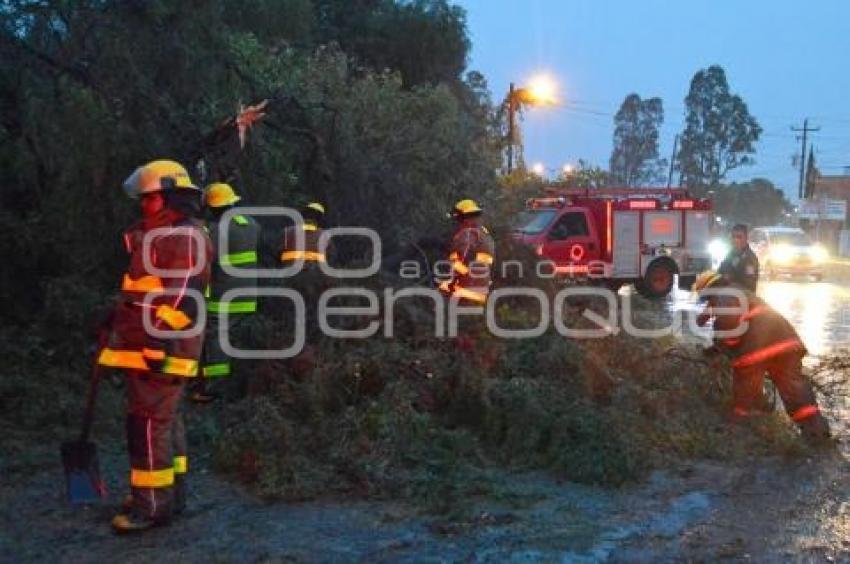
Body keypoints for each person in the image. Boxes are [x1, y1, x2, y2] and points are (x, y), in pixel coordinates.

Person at [97, 160, 212, 532]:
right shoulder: (164, 235)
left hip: (160, 348)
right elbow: (143, 291)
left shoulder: (182, 236)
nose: (142, 206)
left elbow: (182, 296)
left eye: (148, 199)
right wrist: (115, 320)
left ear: (168, 199)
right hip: (148, 344)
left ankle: (150, 506)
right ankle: (168, 494)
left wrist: (158, 338)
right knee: (163, 421)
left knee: (148, 425)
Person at [693, 270, 830, 443]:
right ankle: (816, 432)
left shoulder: (723, 299)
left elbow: (731, 333)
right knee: (794, 391)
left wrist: (718, 348)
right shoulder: (739, 292)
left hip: (758, 351)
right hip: (787, 345)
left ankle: (744, 435)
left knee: (745, 393)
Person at [190, 183, 260, 403]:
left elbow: (206, 260)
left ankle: (213, 389)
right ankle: (238, 386)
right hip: (249, 296)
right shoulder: (251, 224)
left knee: (215, 339)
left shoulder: (215, 231)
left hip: (223, 297)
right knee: (237, 340)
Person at [438, 199, 495, 305]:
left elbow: (462, 259)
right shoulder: (484, 234)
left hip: (463, 289)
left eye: (457, 219)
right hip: (480, 291)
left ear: (463, 218)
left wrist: (451, 282)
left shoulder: (468, 233)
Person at [718, 224, 759, 292]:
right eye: (733, 236)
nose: (736, 239)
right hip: (728, 295)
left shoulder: (750, 258)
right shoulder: (730, 254)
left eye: (739, 237)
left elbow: (749, 281)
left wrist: (730, 279)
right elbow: (721, 270)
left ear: (746, 238)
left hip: (743, 297)